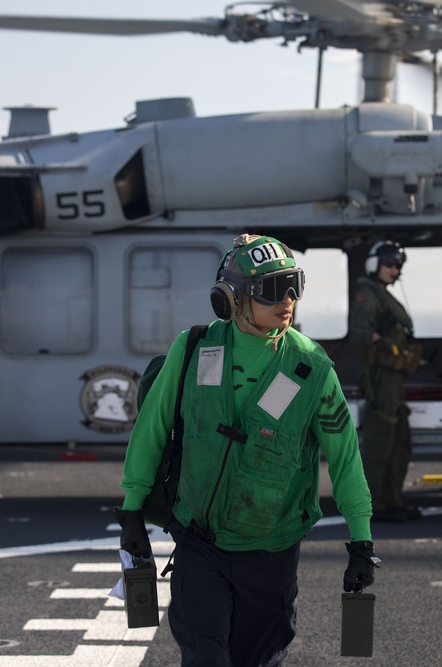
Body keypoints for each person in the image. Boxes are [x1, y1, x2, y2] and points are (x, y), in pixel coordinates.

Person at [117, 234, 379, 666]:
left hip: (270, 551)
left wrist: (362, 540)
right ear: (233, 298)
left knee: (257, 659)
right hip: (200, 542)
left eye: (295, 284)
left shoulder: (311, 370)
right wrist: (131, 513)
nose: (289, 299)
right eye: (274, 289)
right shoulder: (193, 348)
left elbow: (346, 458)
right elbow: (152, 430)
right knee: (204, 655)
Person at [349, 240, 421, 523]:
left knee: (399, 441)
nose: (394, 270)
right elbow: (359, 336)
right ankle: (373, 504)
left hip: (394, 377)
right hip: (380, 378)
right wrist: (387, 346)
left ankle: (392, 500)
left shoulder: (383, 295)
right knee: (381, 441)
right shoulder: (368, 296)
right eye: (389, 264)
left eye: (397, 266)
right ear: (374, 264)